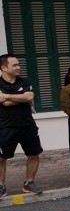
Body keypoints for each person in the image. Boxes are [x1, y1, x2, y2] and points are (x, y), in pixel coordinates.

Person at [0, 55, 43, 197]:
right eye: (15, 65)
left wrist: (6, 96)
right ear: (4, 67)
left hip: (27, 125)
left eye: (19, 64)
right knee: (1, 158)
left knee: (34, 154)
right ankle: (1, 186)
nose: (18, 67)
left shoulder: (25, 81)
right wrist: (21, 98)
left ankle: (29, 183)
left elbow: (29, 97)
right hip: (6, 126)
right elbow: (6, 103)